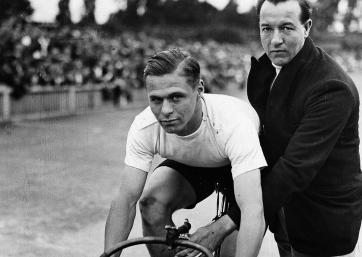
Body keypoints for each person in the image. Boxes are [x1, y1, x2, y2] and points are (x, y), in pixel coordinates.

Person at [103, 48, 267, 257]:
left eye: (176, 97)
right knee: (151, 203)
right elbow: (125, 201)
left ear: (199, 88)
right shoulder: (145, 126)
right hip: (197, 163)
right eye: (156, 99)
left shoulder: (233, 124)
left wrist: (220, 231)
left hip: (241, 167)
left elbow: (253, 210)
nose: (165, 111)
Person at [247, 0, 362, 257]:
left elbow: (295, 168)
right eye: (266, 29)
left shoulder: (331, 85)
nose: (275, 40)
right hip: (285, 212)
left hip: (321, 222)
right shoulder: (271, 69)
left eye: (286, 28)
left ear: (307, 27)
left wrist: (235, 217)